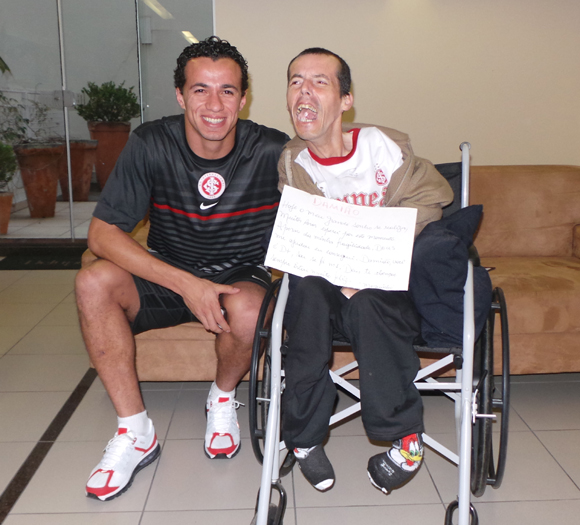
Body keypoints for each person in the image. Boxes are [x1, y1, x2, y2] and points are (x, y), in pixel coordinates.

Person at [75, 36, 289, 501]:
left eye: (227, 90)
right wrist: (188, 285)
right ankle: (135, 431)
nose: (214, 105)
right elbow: (102, 233)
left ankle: (222, 397)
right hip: (166, 271)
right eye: (200, 90)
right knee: (92, 281)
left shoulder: (272, 150)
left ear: (243, 98)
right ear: (180, 95)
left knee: (251, 311)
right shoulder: (151, 143)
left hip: (237, 274)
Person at [278, 48, 453, 494]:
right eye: (296, 81)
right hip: (329, 294)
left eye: (319, 82)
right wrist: (342, 273)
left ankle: (405, 438)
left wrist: (369, 249)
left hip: (389, 293)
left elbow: (433, 199)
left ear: (345, 100)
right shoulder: (293, 165)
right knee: (305, 291)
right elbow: (302, 238)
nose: (304, 91)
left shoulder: (381, 148)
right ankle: (304, 439)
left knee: (370, 303)